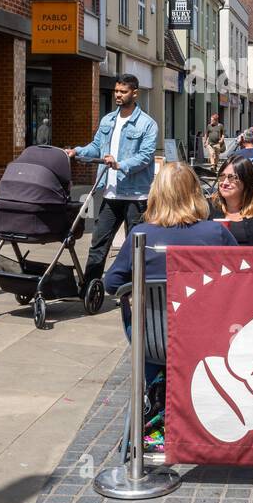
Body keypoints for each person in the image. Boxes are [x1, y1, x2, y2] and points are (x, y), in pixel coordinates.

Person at [104, 163, 237, 432]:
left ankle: (150, 415)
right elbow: (241, 279)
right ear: (194, 194)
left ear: (157, 194)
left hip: (151, 339)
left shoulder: (141, 235)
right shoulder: (215, 234)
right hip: (206, 340)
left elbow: (111, 283)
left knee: (151, 339)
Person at [67, 73, 159, 290]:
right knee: (98, 242)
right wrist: (76, 151)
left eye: (123, 91)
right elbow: (96, 147)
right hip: (110, 193)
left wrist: (120, 164)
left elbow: (146, 156)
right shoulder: (108, 120)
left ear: (134, 93)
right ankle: (89, 287)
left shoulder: (147, 124)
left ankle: (132, 289)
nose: (118, 95)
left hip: (137, 196)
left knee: (134, 246)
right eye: (116, 91)